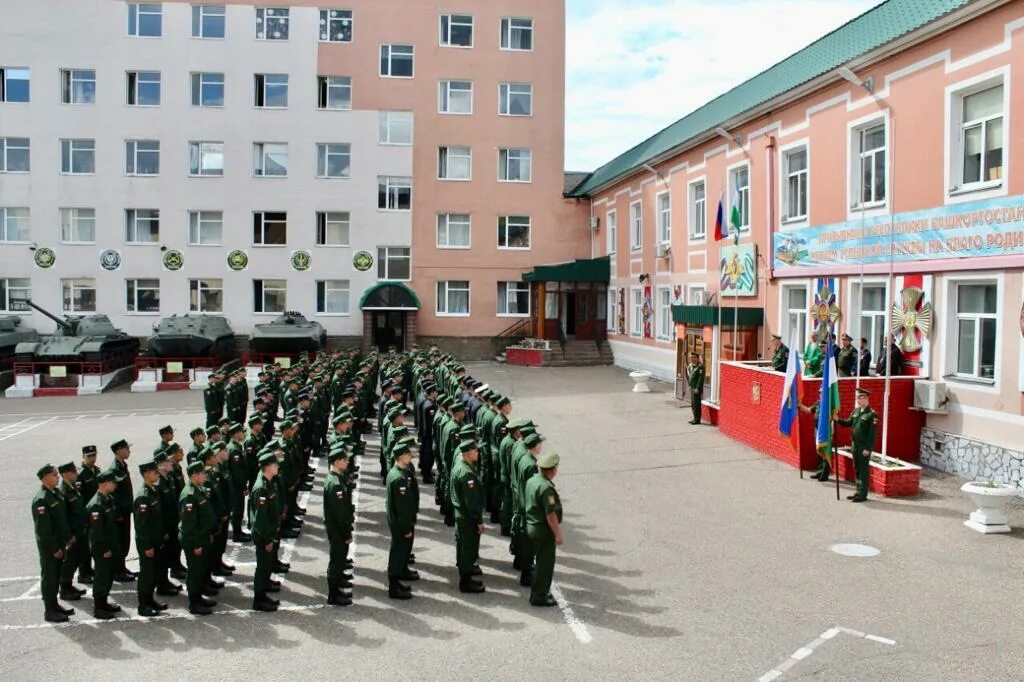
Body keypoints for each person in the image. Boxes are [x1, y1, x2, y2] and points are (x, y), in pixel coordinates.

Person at [32, 464, 75, 623]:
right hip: (50, 547)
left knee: (56, 575)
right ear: (44, 478)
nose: (57, 477)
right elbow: (43, 531)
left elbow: (61, 520)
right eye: (54, 475)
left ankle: (55, 605)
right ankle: (49, 610)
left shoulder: (56, 493)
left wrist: (68, 537)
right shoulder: (42, 500)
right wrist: (54, 548)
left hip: (60, 543)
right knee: (50, 577)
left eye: (57, 474)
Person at [525, 452, 563, 607]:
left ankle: (538, 592)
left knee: (539, 562)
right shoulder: (546, 489)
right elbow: (550, 515)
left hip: (532, 526)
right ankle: (539, 596)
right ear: (553, 470)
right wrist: (558, 534)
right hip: (543, 530)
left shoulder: (532, 481)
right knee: (544, 565)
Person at [179, 461, 217, 616]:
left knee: (200, 569)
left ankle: (199, 597)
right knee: (194, 571)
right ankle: (194, 603)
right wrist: (196, 544)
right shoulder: (189, 495)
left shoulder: (198, 489)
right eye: (202, 473)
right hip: (194, 540)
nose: (205, 475)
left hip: (202, 537)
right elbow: (189, 526)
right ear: (194, 475)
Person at [450, 440, 486, 594]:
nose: (478, 453)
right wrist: (478, 521)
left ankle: (466, 577)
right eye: (475, 451)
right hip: (467, 517)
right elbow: (471, 502)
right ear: (467, 453)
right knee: (468, 548)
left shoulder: (459, 467)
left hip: (461, 515)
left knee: (462, 546)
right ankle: (465, 582)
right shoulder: (467, 474)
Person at [249, 452, 283, 613]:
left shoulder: (268, 483)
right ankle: (258, 600)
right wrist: (268, 539)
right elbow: (260, 521)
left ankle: (263, 595)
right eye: (275, 464)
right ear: (268, 467)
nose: (278, 466)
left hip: (269, 533)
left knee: (267, 565)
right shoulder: (261, 489)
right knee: (262, 567)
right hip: (264, 536)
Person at [385, 440, 419, 599]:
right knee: (398, 553)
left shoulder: (402, 471)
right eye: (407, 454)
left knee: (402, 551)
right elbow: (402, 509)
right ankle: (394, 587)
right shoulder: (398, 479)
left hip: (403, 521)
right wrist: (406, 528)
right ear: (400, 457)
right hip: (400, 523)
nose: (410, 456)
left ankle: (400, 577)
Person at [87, 470, 122, 619]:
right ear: (104, 483)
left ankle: (104, 602)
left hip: (110, 545)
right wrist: (105, 549)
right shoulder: (96, 505)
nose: (115, 484)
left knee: (108, 576)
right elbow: (97, 532)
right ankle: (98, 607)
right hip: (102, 548)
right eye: (113, 482)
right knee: (102, 576)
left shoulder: (108, 499)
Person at [133, 459, 166, 617]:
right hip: (148, 543)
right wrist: (147, 546)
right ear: (146, 474)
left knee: (153, 573)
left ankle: (150, 600)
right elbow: (141, 526)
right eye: (154, 472)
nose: (157, 474)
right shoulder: (143, 497)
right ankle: (143, 605)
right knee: (146, 574)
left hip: (156, 540)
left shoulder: (153, 490)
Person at [323, 445, 355, 606]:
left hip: (337, 527)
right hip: (337, 529)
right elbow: (340, 514)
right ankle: (333, 595)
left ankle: (338, 585)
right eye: (344, 460)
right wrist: (347, 533)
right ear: (336, 462)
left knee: (340, 558)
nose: (347, 462)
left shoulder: (338, 477)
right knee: (336, 559)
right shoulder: (335, 484)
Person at [835, 388, 878, 503]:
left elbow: (872, 434)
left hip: (863, 447)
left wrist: (868, 448)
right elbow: (848, 423)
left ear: (866, 398)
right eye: (857, 398)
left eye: (859, 398)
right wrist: (838, 419)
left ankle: (863, 494)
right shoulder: (856, 411)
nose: (858, 400)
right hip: (854, 445)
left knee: (863, 470)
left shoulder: (871, 414)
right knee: (857, 469)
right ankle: (858, 491)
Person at [57, 462, 87, 603]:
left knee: (75, 560)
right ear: (65, 474)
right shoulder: (64, 492)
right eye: (73, 472)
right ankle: (64, 589)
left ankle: (69, 585)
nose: (76, 474)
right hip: (72, 534)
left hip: (79, 531)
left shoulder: (73, 488)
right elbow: (63, 518)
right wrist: (68, 536)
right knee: (69, 561)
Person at [106, 439, 135, 583]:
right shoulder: (114, 469)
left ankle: (122, 567)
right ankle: (117, 570)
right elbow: (112, 494)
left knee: (125, 541)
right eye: (126, 448)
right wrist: (117, 514)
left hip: (125, 512)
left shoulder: (122, 466)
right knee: (119, 542)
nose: (129, 451)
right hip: (119, 514)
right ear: (118, 451)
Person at [77, 445, 100, 584]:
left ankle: (89, 569)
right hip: (87, 515)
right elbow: (80, 498)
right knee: (85, 545)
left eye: (93, 455)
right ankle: (83, 572)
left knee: (94, 543)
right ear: (83, 457)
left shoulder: (97, 471)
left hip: (96, 514)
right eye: (89, 456)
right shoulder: (81, 475)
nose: (92, 458)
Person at [686, 353, 705, 425]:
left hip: (697, 389)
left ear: (697, 358)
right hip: (692, 388)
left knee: (697, 404)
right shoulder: (691, 366)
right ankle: (694, 417)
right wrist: (690, 386)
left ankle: (697, 419)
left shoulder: (700, 367)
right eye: (691, 358)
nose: (691, 359)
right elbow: (689, 377)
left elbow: (700, 379)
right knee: (693, 404)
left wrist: (697, 388)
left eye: (693, 358)